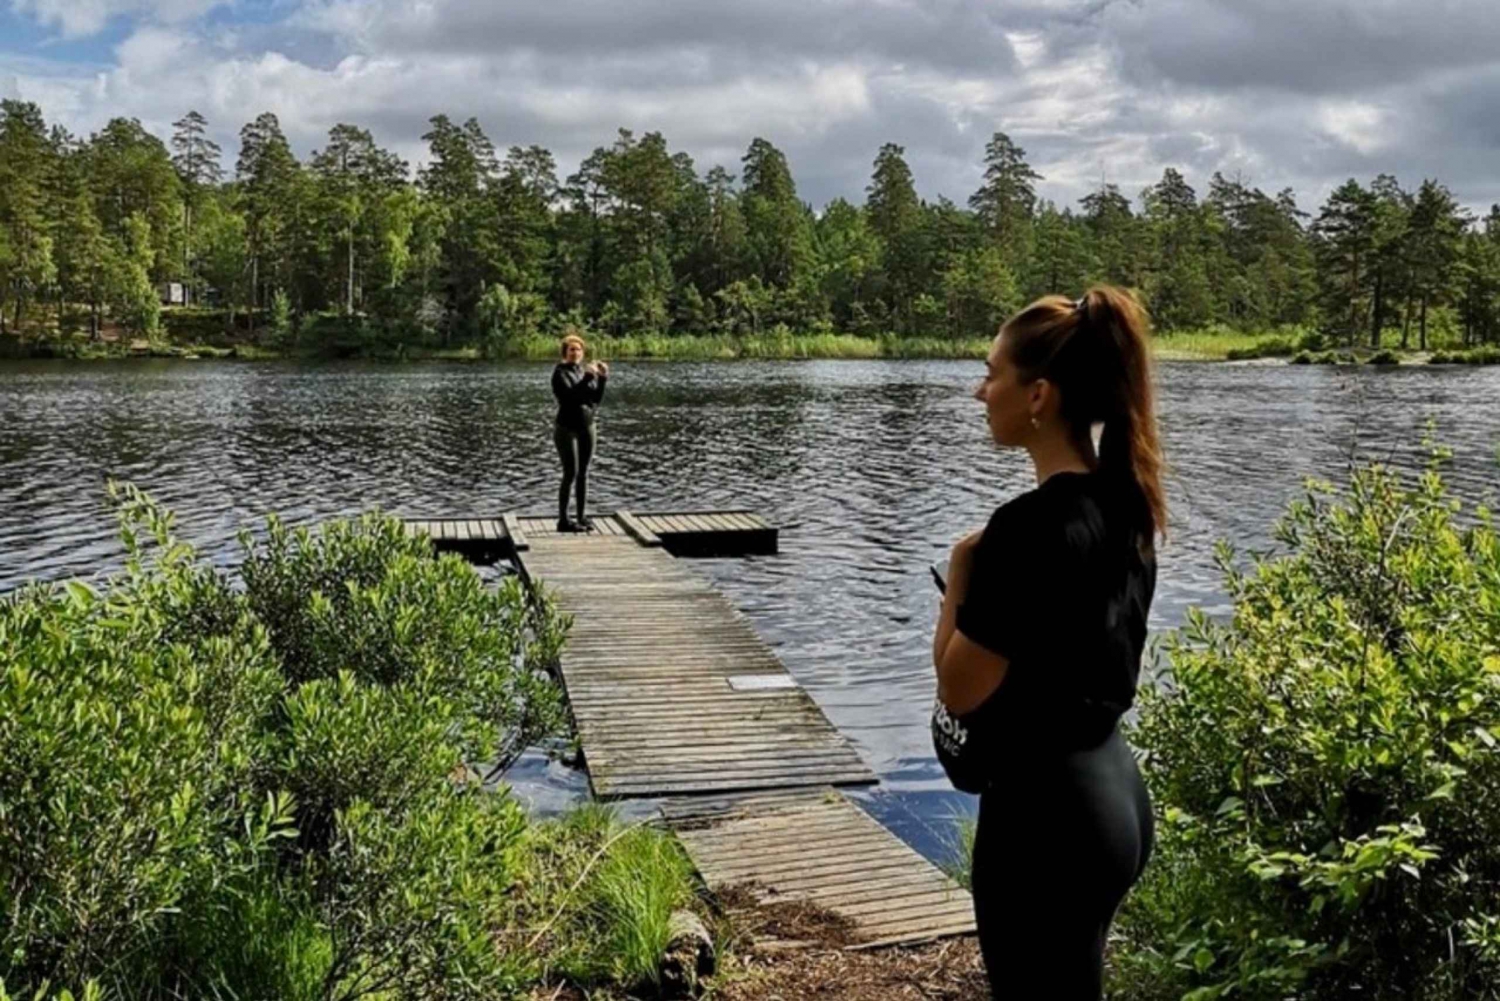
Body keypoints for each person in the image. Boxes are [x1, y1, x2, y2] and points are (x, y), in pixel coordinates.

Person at [929, 286, 1165, 998]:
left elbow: (959, 686)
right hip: (1114, 794)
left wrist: (962, 570)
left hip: (1045, 818)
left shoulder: (1024, 531)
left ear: (1038, 395)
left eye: (992, 372)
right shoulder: (1127, 504)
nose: (980, 390)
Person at [551, 332, 608, 532]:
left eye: (578, 349)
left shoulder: (583, 372)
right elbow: (569, 398)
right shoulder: (560, 373)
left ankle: (581, 517)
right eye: (571, 349)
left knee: (584, 473)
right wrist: (587, 378)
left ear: (583, 353)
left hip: (587, 427)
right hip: (566, 429)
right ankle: (563, 521)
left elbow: (595, 400)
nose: (575, 353)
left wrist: (602, 379)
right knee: (570, 473)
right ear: (565, 353)